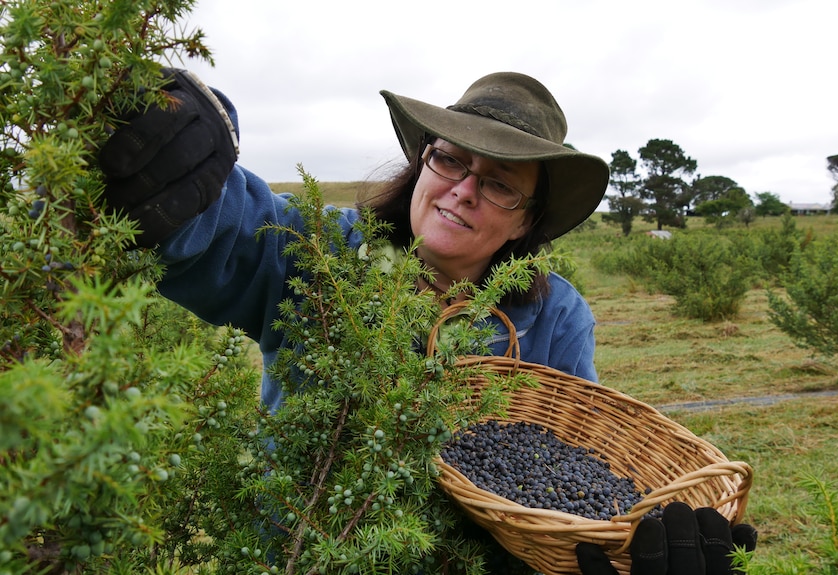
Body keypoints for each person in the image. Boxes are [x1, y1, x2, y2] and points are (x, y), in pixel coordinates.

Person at [98, 69, 755, 574]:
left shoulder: (554, 316)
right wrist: (185, 142)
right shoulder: (318, 253)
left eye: (500, 182)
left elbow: (572, 470)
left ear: (525, 220)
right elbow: (218, 225)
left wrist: (635, 544)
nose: (464, 188)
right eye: (451, 159)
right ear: (423, 163)